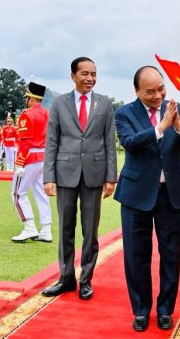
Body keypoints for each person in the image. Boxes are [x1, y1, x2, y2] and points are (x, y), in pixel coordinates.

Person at [115, 66, 180, 332]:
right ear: (137, 91)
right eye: (150, 91)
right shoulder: (124, 113)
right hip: (136, 195)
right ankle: (141, 310)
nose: (157, 95)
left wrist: (178, 125)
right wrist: (160, 128)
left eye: (160, 89)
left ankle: (165, 310)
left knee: (171, 254)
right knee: (136, 256)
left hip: (171, 195)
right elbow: (129, 142)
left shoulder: (177, 108)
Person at [41, 57, 117, 301]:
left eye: (94, 74)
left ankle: (86, 279)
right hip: (64, 174)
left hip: (94, 174)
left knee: (90, 230)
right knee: (65, 229)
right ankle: (65, 278)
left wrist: (111, 177)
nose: (90, 78)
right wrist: (48, 177)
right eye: (85, 73)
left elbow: (109, 142)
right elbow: (52, 141)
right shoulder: (60, 104)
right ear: (73, 75)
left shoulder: (104, 104)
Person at [11, 82, 53, 243]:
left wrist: (19, 163)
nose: (26, 100)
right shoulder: (47, 113)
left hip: (29, 157)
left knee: (18, 193)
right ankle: (46, 230)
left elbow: (25, 142)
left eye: (27, 97)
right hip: (44, 157)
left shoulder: (26, 115)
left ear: (31, 98)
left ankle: (29, 227)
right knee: (41, 194)